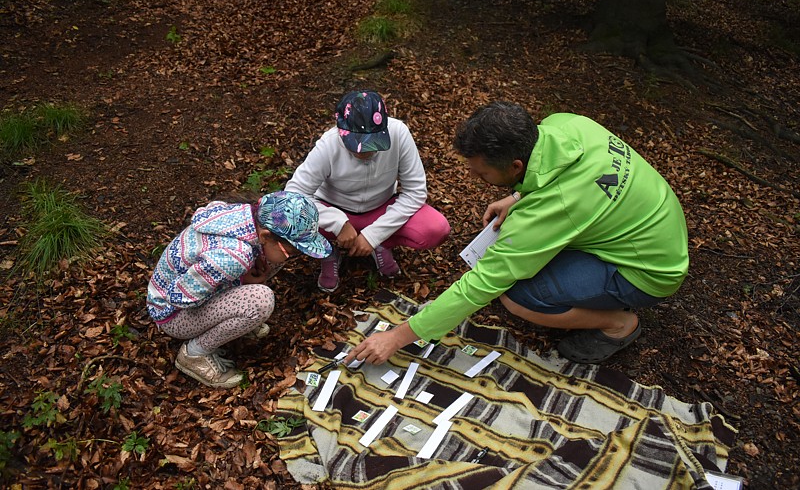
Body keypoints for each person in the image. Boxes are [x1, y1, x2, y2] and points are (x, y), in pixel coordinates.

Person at [346, 102, 689, 365]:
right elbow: (561, 179)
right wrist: (517, 196)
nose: (477, 180)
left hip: (648, 271)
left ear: (515, 166)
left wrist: (398, 337)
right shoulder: (565, 124)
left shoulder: (555, 210)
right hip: (654, 224)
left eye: (482, 175)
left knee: (517, 297)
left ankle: (618, 323)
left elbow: (482, 284)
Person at [146, 190, 331, 388]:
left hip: (179, 292)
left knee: (273, 263)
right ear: (265, 236)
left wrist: (240, 276)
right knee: (260, 301)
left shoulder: (247, 215)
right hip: (173, 314)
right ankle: (194, 354)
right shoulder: (235, 257)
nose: (293, 257)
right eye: (292, 252)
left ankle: (234, 320)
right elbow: (180, 297)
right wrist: (239, 280)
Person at [285, 90, 450, 292]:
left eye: (373, 144)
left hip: (380, 207)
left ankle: (383, 244)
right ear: (341, 131)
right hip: (335, 208)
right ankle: (327, 252)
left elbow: (415, 191)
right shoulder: (328, 145)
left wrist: (374, 235)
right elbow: (293, 195)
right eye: (356, 145)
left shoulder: (399, 133)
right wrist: (336, 222)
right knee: (291, 216)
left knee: (436, 228)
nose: (365, 151)